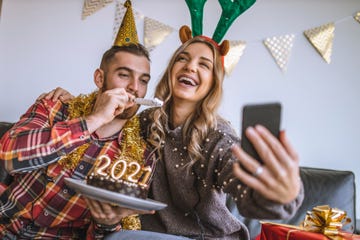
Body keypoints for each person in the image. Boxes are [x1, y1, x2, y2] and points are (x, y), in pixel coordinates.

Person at [48, 35, 304, 240]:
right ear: (171, 72)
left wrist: (278, 195)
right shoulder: (143, 123)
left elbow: (240, 181)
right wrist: (75, 103)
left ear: (213, 83)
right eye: (183, 58)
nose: (190, 66)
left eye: (204, 64)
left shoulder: (217, 137)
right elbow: (105, 121)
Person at [0, 43, 157, 239]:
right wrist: (95, 120)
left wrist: (106, 223)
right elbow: (9, 154)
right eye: (124, 75)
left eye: (143, 80)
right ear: (100, 78)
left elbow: (104, 235)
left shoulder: (139, 158)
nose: (135, 87)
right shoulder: (54, 107)